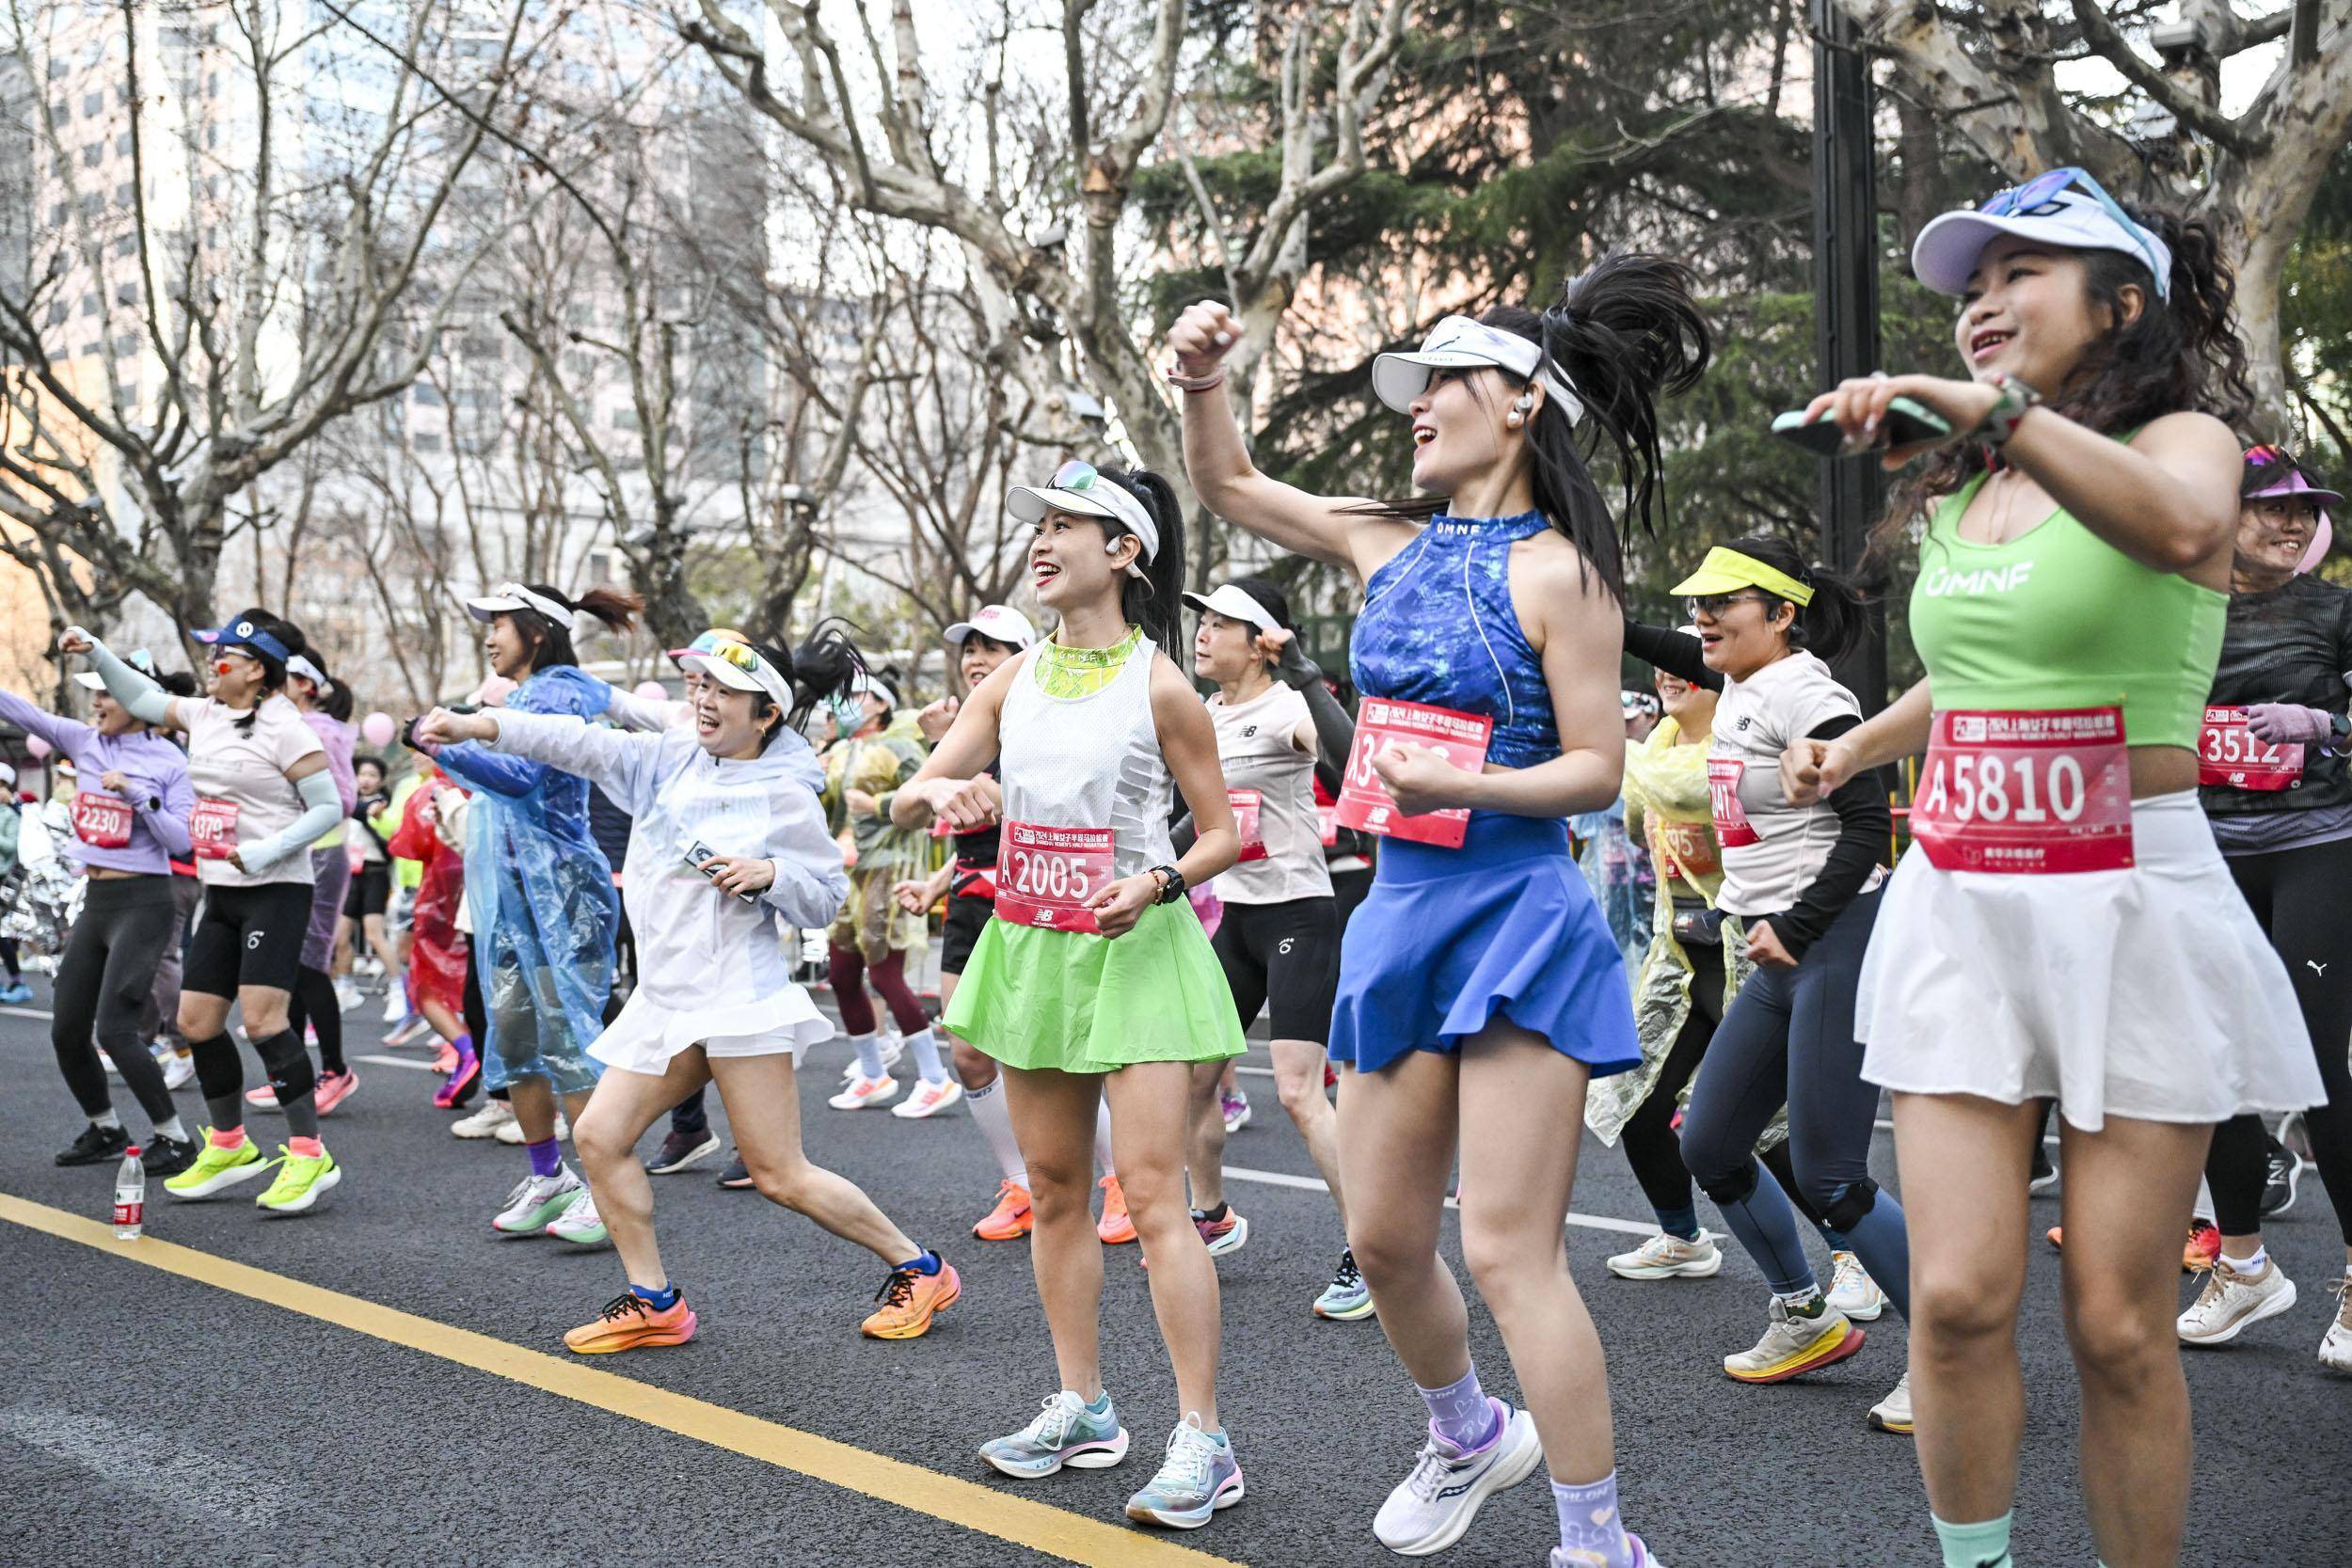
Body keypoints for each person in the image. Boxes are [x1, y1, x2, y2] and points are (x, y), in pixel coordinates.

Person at [1784, 170, 2323, 1568]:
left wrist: (1996, 411)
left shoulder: (2189, 440)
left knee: (2119, 1319)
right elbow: (1971, 677)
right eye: (1970, 288)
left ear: (2121, 302)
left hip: (2129, 892)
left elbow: (2191, 535)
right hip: (1962, 893)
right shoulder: (1973, 483)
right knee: (1957, 1297)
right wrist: (1856, 748)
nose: (1983, 307)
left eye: (2021, 276)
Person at [1169, 253, 1708, 1567]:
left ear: (1523, 402)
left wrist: (1454, 777)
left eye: (1442, 381)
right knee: (1384, 1235)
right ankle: (1467, 1429)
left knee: (1511, 1247)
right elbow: (1230, 484)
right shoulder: (1385, 537)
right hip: (1400, 914)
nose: (1414, 405)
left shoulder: (1563, 575)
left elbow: (1596, 764)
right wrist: (1202, 383)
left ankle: (1598, 1540)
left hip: (1516, 908)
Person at [417, 626, 963, 1347]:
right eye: (698, 685)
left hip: (739, 1000)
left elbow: (824, 895)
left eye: (722, 691)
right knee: (599, 1135)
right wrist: (478, 724)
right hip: (668, 999)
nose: (703, 700)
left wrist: (772, 876)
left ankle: (920, 1266)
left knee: (780, 1174)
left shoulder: (784, 790)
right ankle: (655, 1300)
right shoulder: (668, 756)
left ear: (766, 712)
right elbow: (574, 741)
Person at [892, 460, 1248, 1531]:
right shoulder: (1009, 681)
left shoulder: (1162, 683)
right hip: (1035, 950)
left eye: (1067, 526)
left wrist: (1158, 878)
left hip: (1136, 952)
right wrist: (940, 790)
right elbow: (912, 791)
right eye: (1038, 526)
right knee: (1052, 1187)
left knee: (1147, 1198)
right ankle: (1084, 1405)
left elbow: (1224, 829)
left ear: (1123, 552)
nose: (1042, 542)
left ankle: (1202, 1438)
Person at [1621, 540, 1908, 1430]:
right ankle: (1804, 1315)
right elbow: (1661, 643)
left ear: (1783, 614)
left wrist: (1799, 924)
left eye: (1724, 604)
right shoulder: (1741, 680)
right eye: (1698, 605)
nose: (1703, 620)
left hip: (1832, 942)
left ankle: (1953, 1353)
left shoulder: (1812, 697)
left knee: (1831, 1175)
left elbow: (1868, 829)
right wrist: (1590, 611)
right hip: (1775, 950)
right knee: (1709, 1142)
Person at [64, 612, 350, 1214]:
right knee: (196, 1021)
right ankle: (230, 1145)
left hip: (276, 887)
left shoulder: (285, 726)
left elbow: (328, 808)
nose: (211, 665)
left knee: (265, 1021)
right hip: (221, 891)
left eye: (222, 657)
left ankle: (308, 1153)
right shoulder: (205, 713)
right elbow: (139, 694)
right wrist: (95, 649)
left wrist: (268, 848)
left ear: (254, 669)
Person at [1595, 652, 1851, 1305]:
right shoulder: (1655, 748)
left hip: (1751, 951)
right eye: (1661, 670)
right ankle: (1683, 1237)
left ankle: (1854, 1253)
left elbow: (1677, 792)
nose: (1669, 678)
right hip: (1680, 957)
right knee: (1639, 1096)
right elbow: (1634, 816)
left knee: (1773, 1124)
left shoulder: (1730, 752)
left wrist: (1603, 741)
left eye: (1681, 668)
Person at [2171, 444, 2352, 1370]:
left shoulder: (2333, 609)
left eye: (2300, 510)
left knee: (2316, 1065)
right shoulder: (2181, 609)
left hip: (2316, 847)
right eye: (2266, 508)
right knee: (2213, 1069)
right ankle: (2241, 1263)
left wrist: (2323, 724)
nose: (2288, 523)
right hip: (2207, 857)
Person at [889, 606, 1137, 1243]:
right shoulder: (969, 727)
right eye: (968, 646)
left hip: (1043, 906)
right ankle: (1021, 1186)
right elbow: (950, 824)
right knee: (969, 1056)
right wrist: (935, 879)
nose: (975, 657)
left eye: (992, 646)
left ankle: (1121, 1185)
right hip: (973, 901)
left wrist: (974, 777)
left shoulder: (1045, 723)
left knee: (1063, 1058)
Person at [423, 582, 636, 1246]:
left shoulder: (562, 690)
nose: (489, 636)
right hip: (513, 896)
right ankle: (550, 1178)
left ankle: (608, 1191)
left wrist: (441, 744)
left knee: (566, 1035)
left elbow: (522, 775)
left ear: (537, 632)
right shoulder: (521, 693)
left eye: (500, 624)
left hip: (562, 890)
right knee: (514, 1036)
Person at [1181, 575, 1364, 1318]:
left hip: (1300, 915)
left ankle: (1370, 1248)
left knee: (1295, 1090)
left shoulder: (1287, 706)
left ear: (1258, 643)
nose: (1202, 633)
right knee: (1194, 1077)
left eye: (1220, 623)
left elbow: (1352, 764)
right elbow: (1195, 822)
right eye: (1202, 622)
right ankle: (1212, 1216)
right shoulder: (1200, 713)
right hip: (1237, 919)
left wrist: (1309, 676)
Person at [1, 662, 198, 1174]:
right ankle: (106, 1128)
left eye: (105, 696)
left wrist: (137, 795)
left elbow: (182, 840)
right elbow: (20, 710)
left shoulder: (169, 760)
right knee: (67, 1028)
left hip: (146, 900)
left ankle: (175, 1138)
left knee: (115, 1030)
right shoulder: (83, 740)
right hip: (99, 902)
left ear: (136, 701)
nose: (94, 705)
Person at [821, 673, 948, 1112]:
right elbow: (827, 812)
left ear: (880, 704)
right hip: (846, 874)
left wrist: (873, 805)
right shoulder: (839, 751)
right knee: (839, 972)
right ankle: (873, 1073)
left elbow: (927, 797)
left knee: (883, 975)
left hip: (890, 870)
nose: (846, 705)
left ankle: (935, 1077)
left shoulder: (901, 748)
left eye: (855, 696)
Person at [251, 654, 359, 1116]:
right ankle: (289, 1074)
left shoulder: (323, 730)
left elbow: (345, 798)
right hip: (290, 853)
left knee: (310, 963)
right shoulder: (278, 724)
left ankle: (336, 1070)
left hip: (322, 852)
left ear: (306, 686)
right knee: (289, 965)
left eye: (286, 679)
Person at [387, 757, 474, 1106]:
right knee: (475, 982)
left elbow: (408, 843)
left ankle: (467, 1051)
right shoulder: (486, 784)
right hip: (477, 894)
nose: (414, 757)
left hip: (438, 896)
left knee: (425, 988)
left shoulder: (429, 793)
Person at [341, 754, 402, 997]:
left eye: (372, 775)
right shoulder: (351, 802)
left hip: (374, 873)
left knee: (374, 933)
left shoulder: (383, 804)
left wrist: (371, 813)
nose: (365, 780)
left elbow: (387, 834)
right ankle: (345, 984)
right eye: (361, 774)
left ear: (381, 780)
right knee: (340, 934)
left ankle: (398, 986)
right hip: (350, 874)